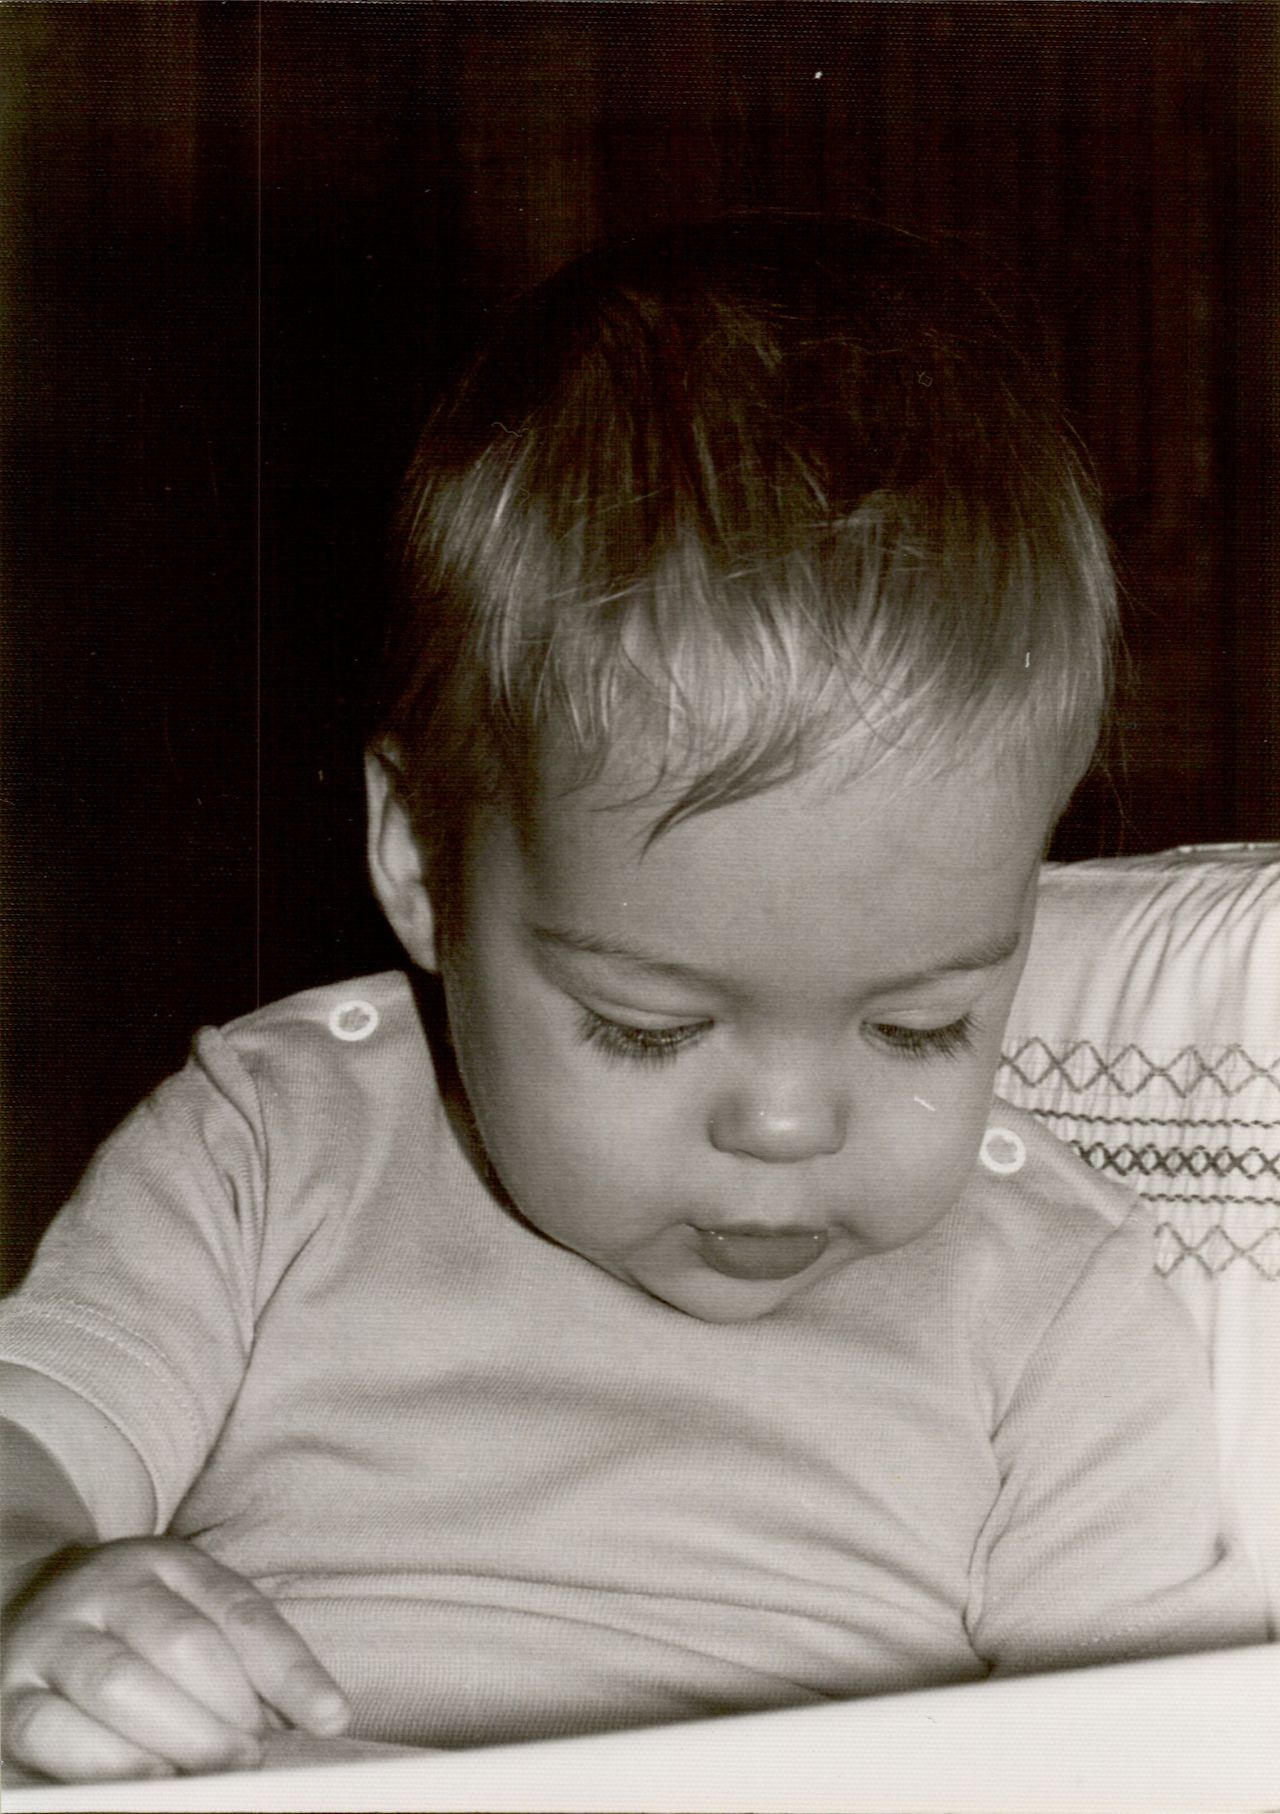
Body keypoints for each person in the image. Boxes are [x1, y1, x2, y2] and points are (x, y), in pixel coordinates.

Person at [0, 217, 1264, 1785]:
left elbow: (1149, 1752)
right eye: (651, 1026)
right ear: (420, 862)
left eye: (922, 1022)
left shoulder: (1052, 1301)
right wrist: (41, 1589)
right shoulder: (272, 1146)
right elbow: (31, 1441)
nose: (790, 1122)